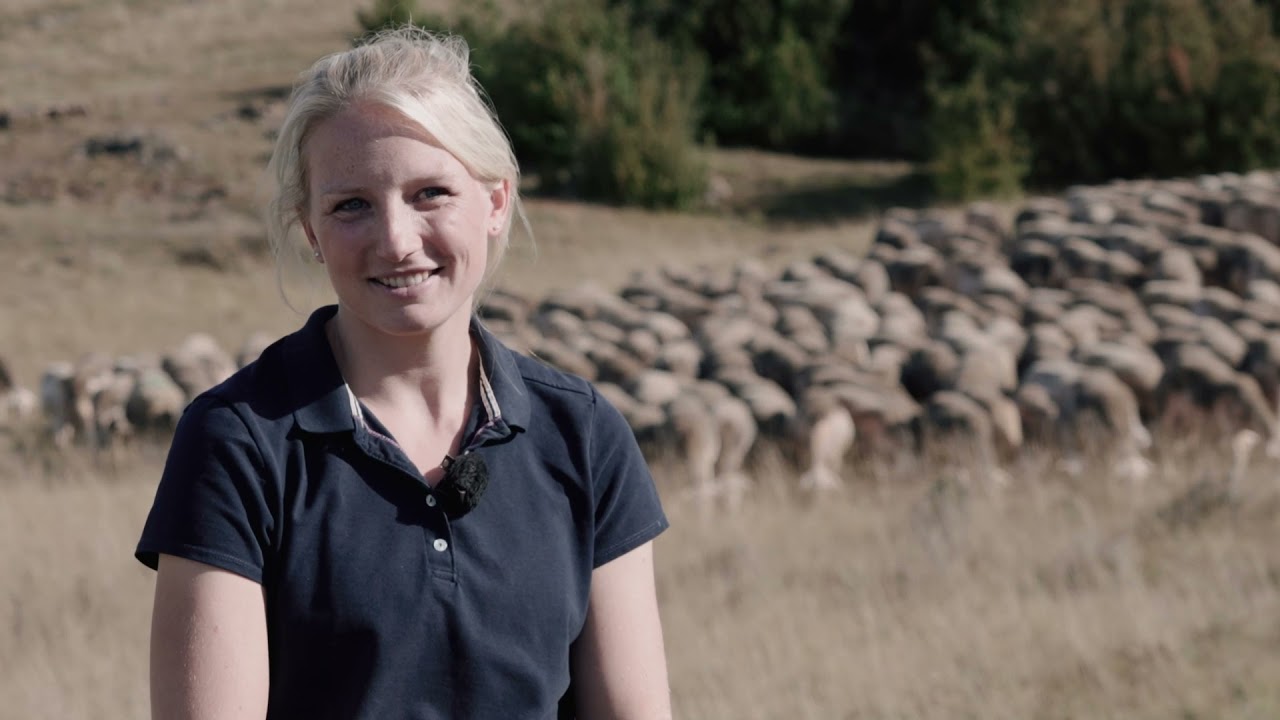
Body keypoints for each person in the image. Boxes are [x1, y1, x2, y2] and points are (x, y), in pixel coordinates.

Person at [135, 26, 672, 719]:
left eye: (431, 193)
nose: (395, 239)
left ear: (496, 203)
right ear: (309, 230)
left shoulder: (582, 434)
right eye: (350, 204)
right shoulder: (239, 443)